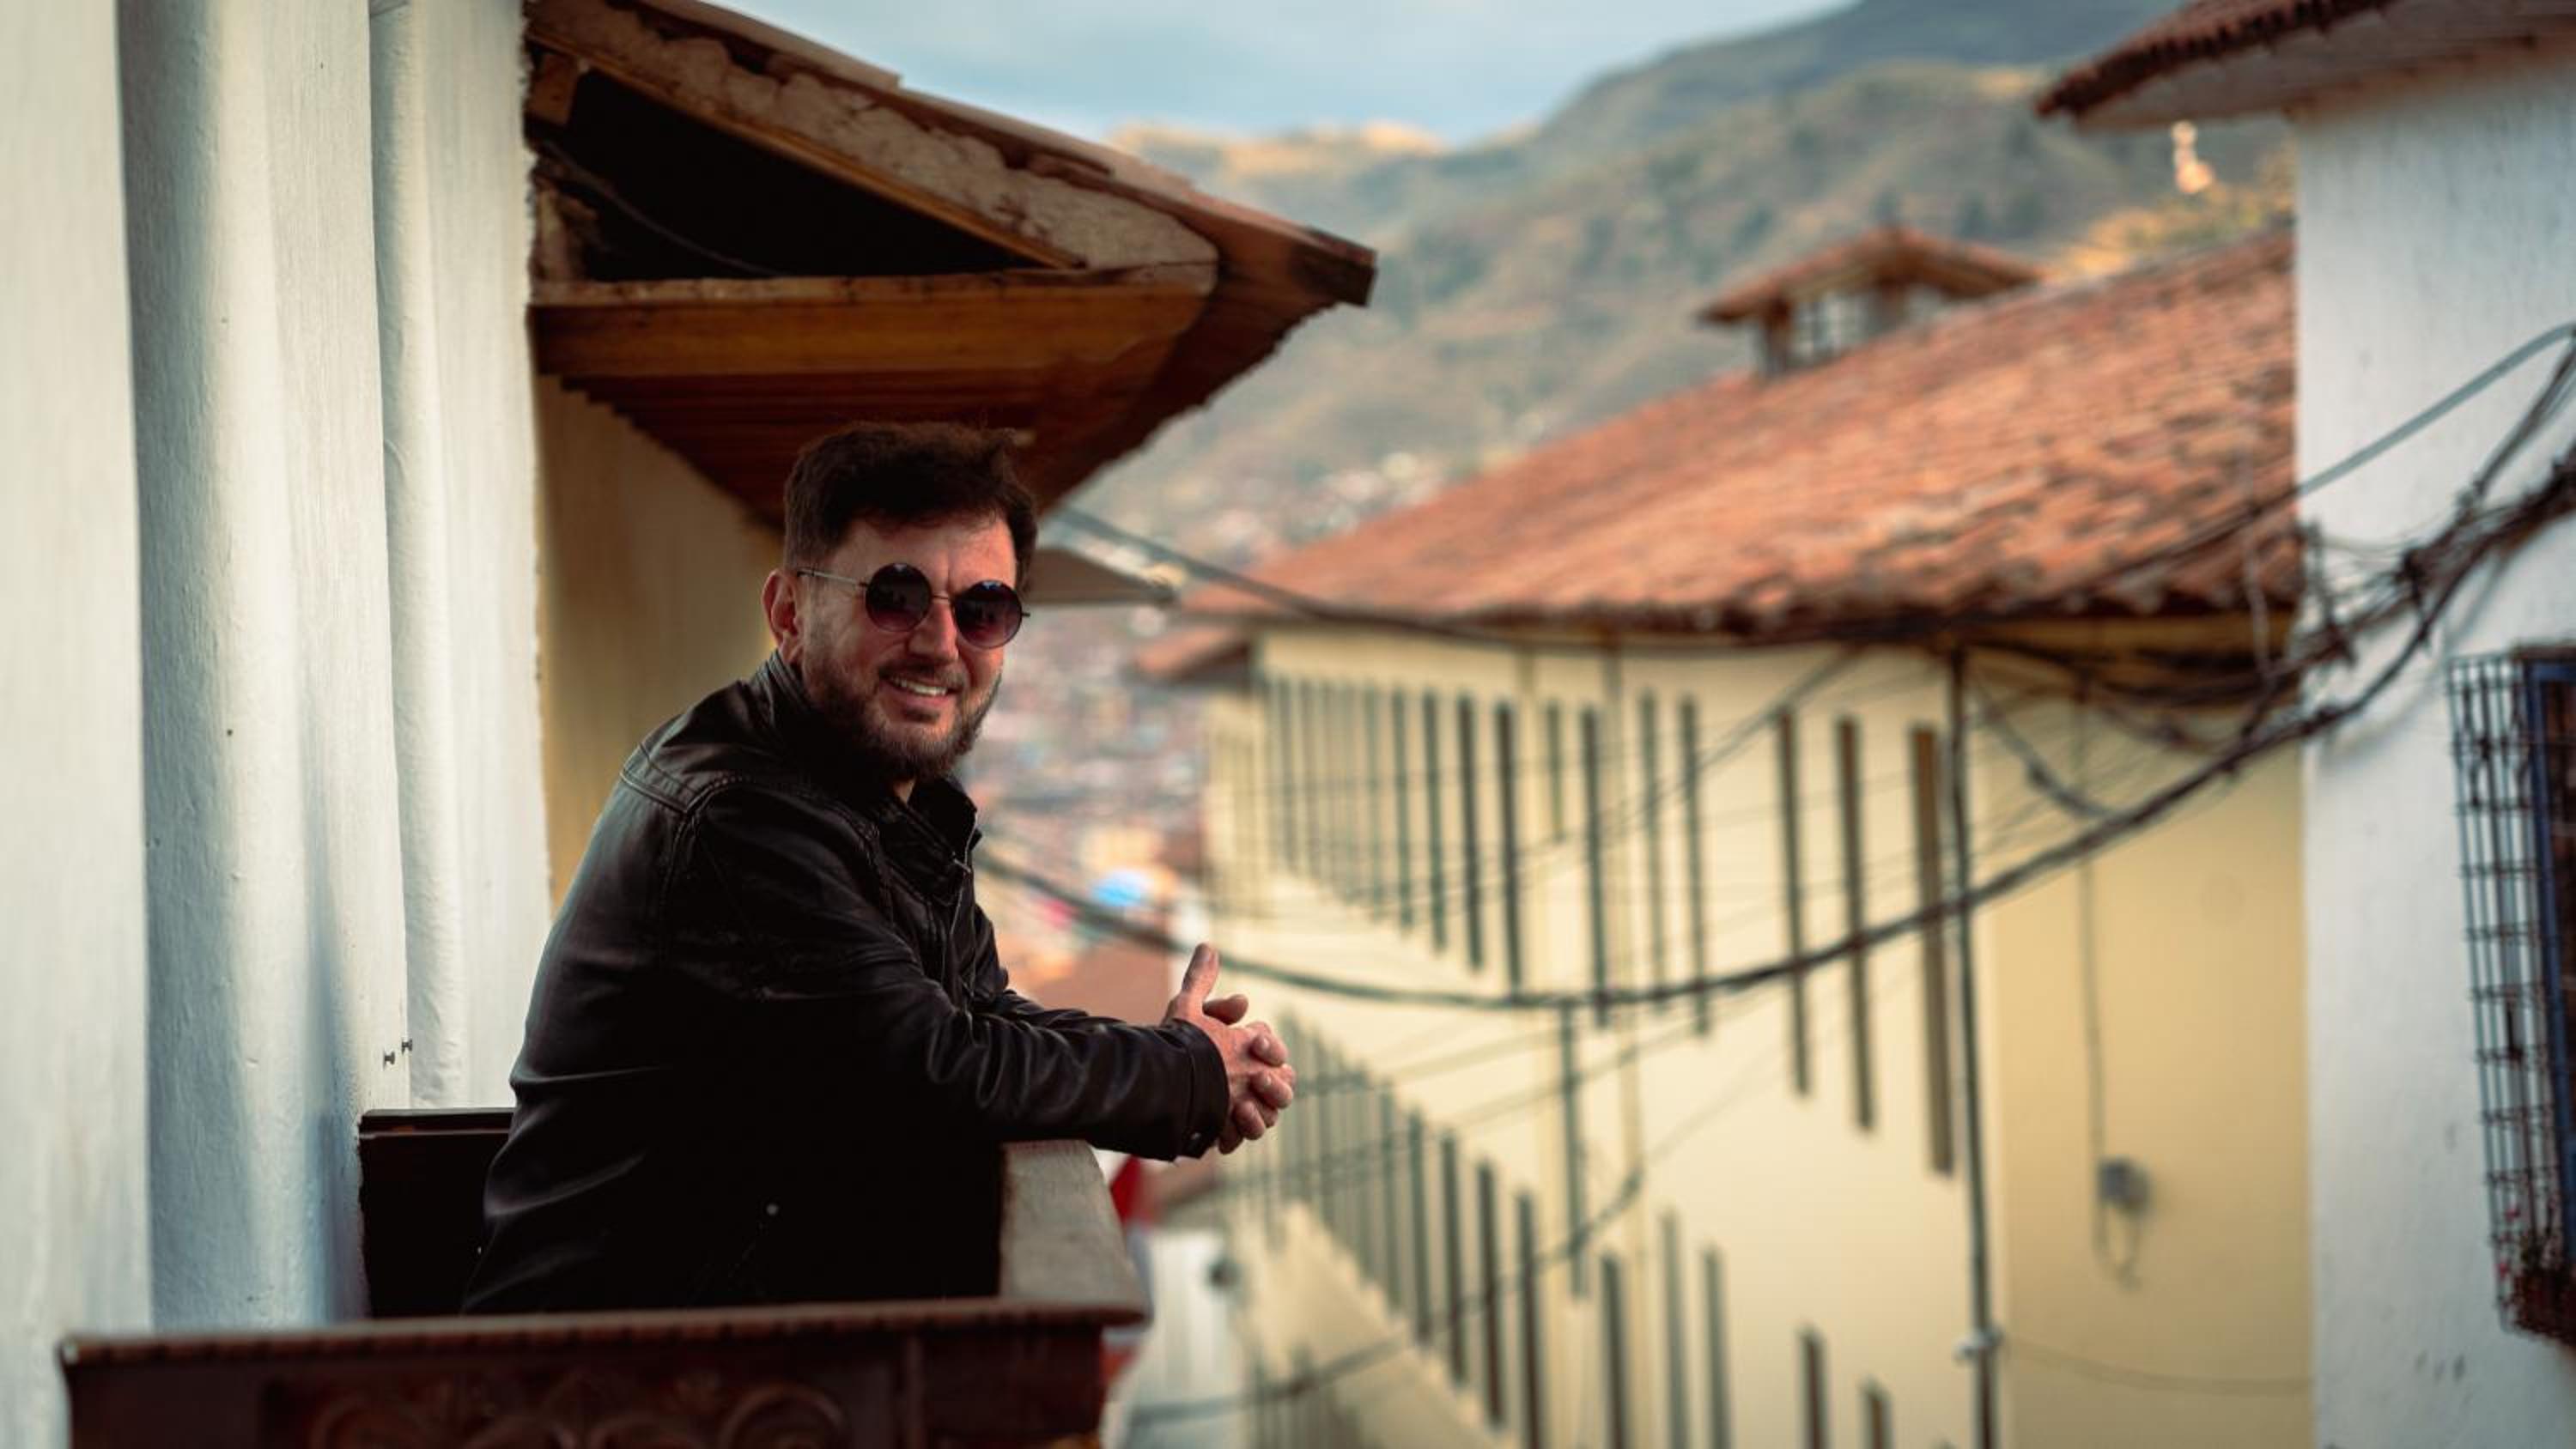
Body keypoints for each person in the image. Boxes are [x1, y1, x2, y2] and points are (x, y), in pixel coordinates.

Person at [465, 421, 1294, 1312]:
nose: (940, 641)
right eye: (894, 597)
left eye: (983, 609)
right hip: (616, 1365)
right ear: (790, 613)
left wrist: (1179, 1059)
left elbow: (978, 1014)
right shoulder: (742, 820)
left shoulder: (886, 798)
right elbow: (933, 1066)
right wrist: (1182, 1074)